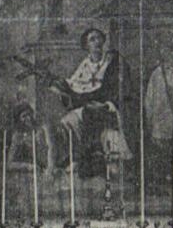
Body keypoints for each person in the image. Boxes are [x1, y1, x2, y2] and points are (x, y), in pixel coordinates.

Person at [51, 27, 130, 164]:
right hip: (86, 104)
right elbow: (74, 86)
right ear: (86, 46)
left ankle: (92, 154)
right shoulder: (84, 65)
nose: (97, 42)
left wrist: (106, 103)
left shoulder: (111, 61)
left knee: (91, 114)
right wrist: (62, 89)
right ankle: (77, 155)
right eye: (92, 39)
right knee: (67, 121)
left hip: (108, 104)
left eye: (99, 38)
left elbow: (116, 88)